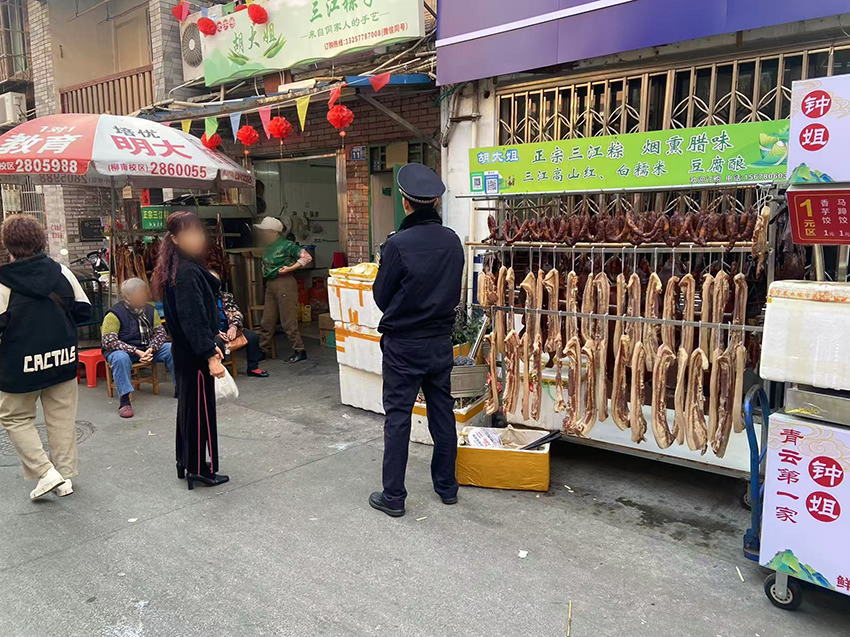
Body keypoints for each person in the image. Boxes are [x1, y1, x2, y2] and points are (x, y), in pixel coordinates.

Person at [368, 163, 464, 518]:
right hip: (439, 341)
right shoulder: (452, 240)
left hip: (404, 344)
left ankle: (394, 496)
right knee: (442, 412)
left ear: (405, 202)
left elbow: (381, 296)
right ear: (435, 202)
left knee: (398, 417)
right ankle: (447, 487)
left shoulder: (398, 244)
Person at [0, 214, 91, 500]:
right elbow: (84, 311)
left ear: (7, 245)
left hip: (18, 366)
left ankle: (45, 472)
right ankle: (64, 477)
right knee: (62, 419)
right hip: (62, 358)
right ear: (41, 241)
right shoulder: (61, 272)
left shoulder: (3, 281)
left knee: (15, 417)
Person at [153, 211, 229, 491]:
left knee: (189, 409)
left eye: (197, 232)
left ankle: (185, 461)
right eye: (188, 233)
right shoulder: (185, 272)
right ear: (174, 238)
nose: (196, 238)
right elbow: (192, 319)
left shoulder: (179, 267)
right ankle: (198, 469)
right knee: (199, 413)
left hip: (186, 352)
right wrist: (210, 355)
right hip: (195, 355)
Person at [101, 277, 175, 418]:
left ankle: (180, 388)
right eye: (139, 294)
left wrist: (151, 348)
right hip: (124, 351)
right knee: (120, 358)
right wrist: (135, 351)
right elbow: (108, 341)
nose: (143, 297)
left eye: (143, 293)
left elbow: (160, 332)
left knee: (172, 349)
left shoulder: (150, 310)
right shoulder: (114, 314)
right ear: (128, 296)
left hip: (147, 348)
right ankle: (124, 401)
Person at [254, 216, 312, 363]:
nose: (263, 234)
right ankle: (263, 349)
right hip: (271, 283)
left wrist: (291, 268)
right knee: (267, 319)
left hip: (284, 282)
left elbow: (306, 257)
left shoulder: (287, 245)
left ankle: (299, 349)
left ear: (274, 232)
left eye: (265, 231)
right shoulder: (268, 246)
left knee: (288, 320)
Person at [209, 268, 268, 378]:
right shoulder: (201, 299)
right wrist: (216, 332)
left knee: (253, 337)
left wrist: (234, 327)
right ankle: (219, 373)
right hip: (213, 332)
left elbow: (236, 313)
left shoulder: (226, 296)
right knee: (217, 342)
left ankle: (253, 368)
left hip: (229, 329)